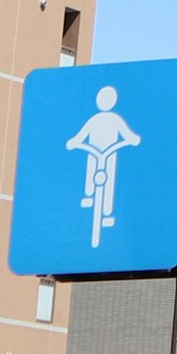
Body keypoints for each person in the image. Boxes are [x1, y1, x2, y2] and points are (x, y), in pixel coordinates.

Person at [66, 80, 143, 242]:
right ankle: (89, 195)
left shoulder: (115, 119)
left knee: (110, 182)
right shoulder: (94, 120)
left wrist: (133, 139)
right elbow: (81, 134)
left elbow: (127, 133)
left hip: (111, 153)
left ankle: (107, 212)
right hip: (93, 152)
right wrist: (74, 142)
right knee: (90, 173)